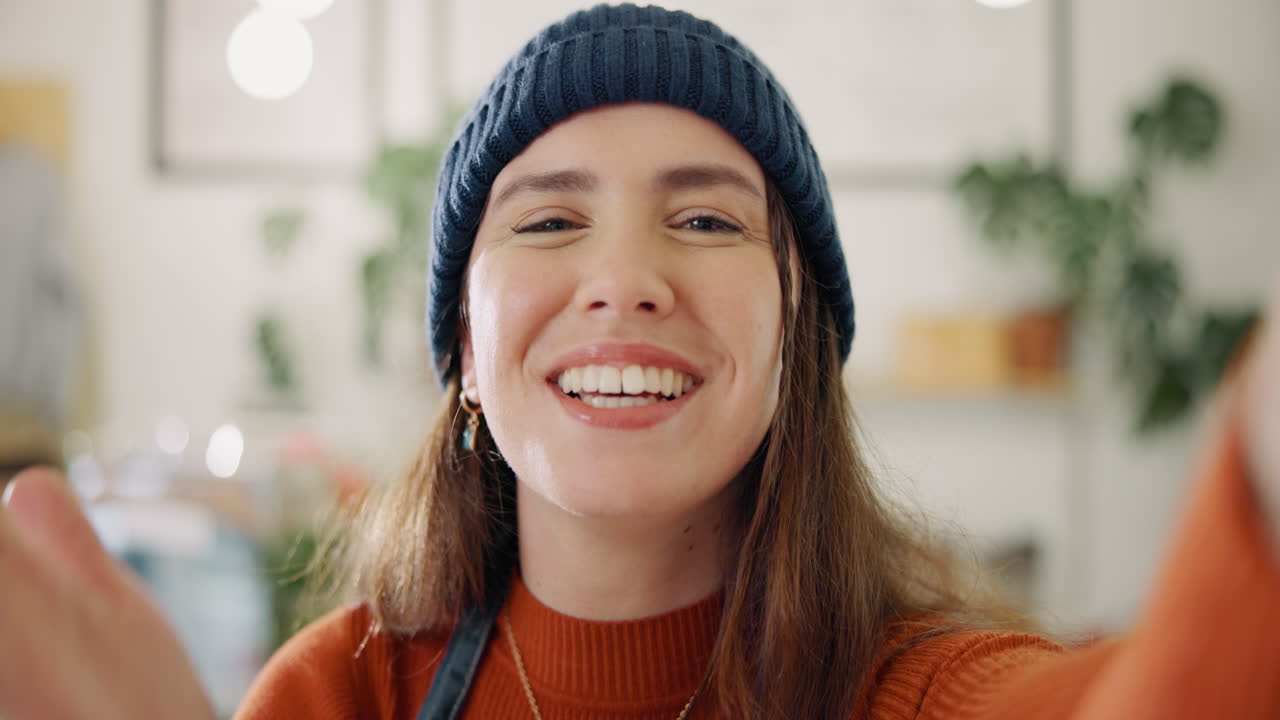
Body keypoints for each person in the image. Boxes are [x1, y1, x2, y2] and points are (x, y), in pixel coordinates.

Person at [1, 4, 1278, 719]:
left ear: (796, 335)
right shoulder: (343, 694)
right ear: (464, 345)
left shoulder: (912, 691)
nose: (623, 277)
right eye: (548, 220)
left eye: (707, 220)